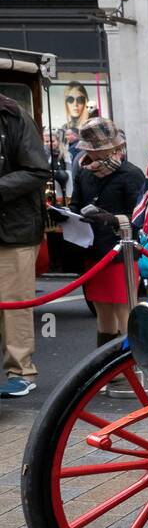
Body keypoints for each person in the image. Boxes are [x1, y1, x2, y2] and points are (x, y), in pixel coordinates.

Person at [70, 118, 146, 355]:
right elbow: (75, 203)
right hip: (92, 249)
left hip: (119, 251)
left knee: (124, 311)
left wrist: (111, 219)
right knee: (102, 311)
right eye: (89, 150)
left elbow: (140, 217)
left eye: (96, 149)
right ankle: (105, 369)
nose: (91, 154)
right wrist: (67, 215)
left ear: (113, 148)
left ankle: (130, 368)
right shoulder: (84, 173)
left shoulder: (131, 173)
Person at [0, 92, 52, 397]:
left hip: (13, 229)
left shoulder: (13, 115)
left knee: (12, 304)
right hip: (12, 225)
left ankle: (21, 370)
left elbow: (37, 169)